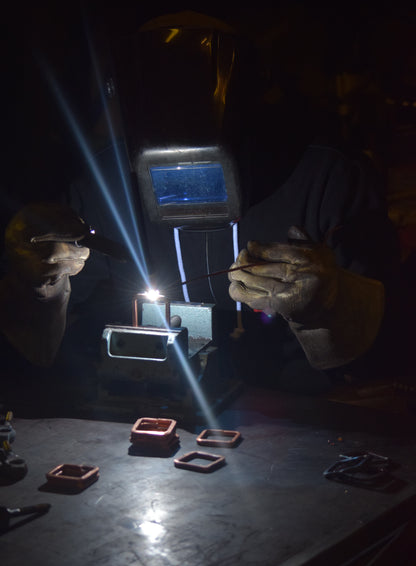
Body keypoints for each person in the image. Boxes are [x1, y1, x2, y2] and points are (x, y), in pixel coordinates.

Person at [0, 8, 407, 399]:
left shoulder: (324, 178)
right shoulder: (101, 185)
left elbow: (392, 345)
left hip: (301, 410)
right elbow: (44, 353)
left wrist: (330, 300)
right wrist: (40, 285)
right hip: (148, 404)